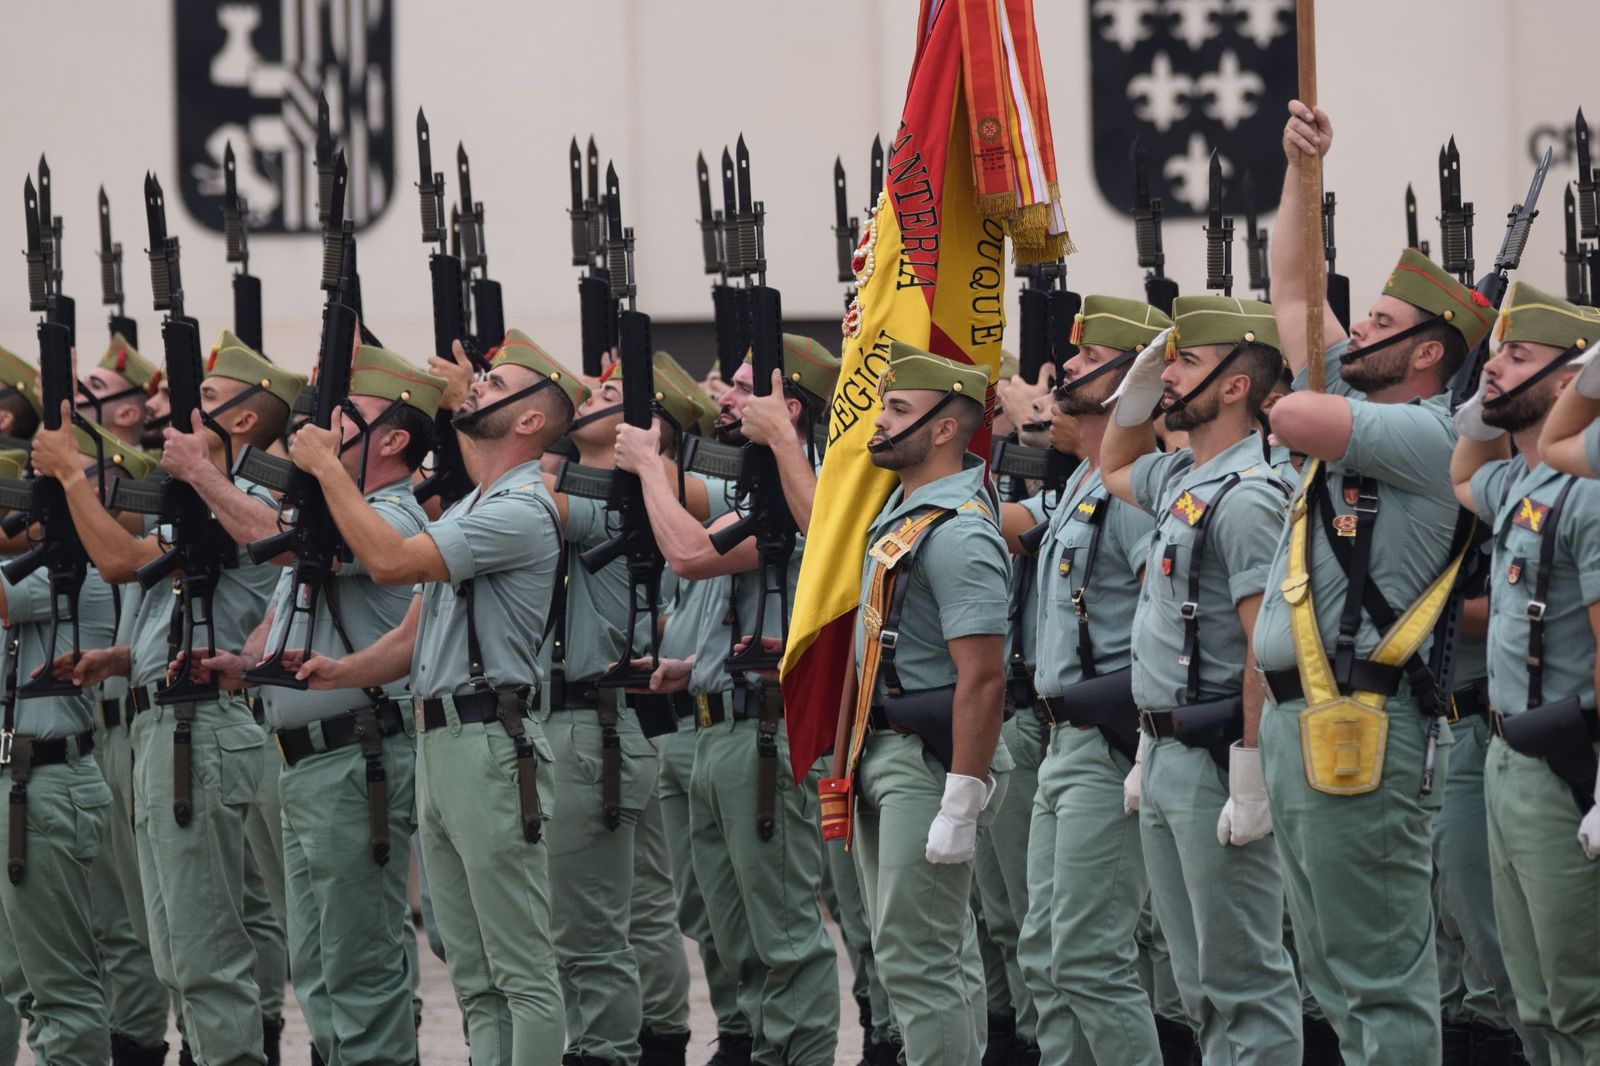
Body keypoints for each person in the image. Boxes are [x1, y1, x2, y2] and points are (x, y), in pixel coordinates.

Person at [1255, 99, 1501, 1065]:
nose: (1358, 328)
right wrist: (1301, 173)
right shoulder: (1360, 392)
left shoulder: (1435, 432)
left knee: (1379, 973)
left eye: (1382, 323)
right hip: (1300, 717)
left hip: (1365, 714)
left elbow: (1293, 416)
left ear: (1430, 351)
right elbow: (1289, 290)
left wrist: (1302, 378)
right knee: (1329, 966)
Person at [289, 330, 577, 1066]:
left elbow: (386, 562)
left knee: (520, 968)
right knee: (474, 974)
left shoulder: (517, 510)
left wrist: (328, 468)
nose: (476, 384)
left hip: (488, 741)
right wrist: (340, 670)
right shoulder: (469, 506)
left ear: (530, 420)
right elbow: (415, 637)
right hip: (442, 741)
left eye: (495, 382)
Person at [165, 344, 444, 1066]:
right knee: (318, 967)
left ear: (393, 441)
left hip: (359, 757)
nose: (325, 425)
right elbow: (291, 604)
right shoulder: (332, 514)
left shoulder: (389, 513)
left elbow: (273, 546)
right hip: (309, 762)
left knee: (361, 960)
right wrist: (245, 666)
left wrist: (201, 472)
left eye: (347, 414)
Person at [29, 333, 304, 1066]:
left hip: (196, 734)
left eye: (208, 399)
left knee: (202, 949)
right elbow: (164, 597)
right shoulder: (197, 507)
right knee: (177, 944)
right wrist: (121, 658)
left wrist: (70, 476)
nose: (176, 411)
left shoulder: (237, 501)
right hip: (169, 724)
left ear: (245, 422)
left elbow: (118, 562)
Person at [615, 337, 841, 1066]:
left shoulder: (814, 495)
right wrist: (696, 664)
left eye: (747, 387)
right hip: (717, 726)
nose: (728, 398)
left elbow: (687, 552)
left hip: (762, 736)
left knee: (780, 932)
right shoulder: (758, 494)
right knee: (726, 925)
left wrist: (651, 465)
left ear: (792, 406)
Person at [1101, 297, 1302, 1065]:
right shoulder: (1187, 473)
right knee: (1195, 983)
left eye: (1185, 360)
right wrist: (1142, 388)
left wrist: (1250, 772)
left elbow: (1263, 649)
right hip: (1166, 753)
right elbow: (1112, 464)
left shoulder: (1247, 494)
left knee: (1243, 981)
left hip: (1220, 755)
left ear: (1233, 387)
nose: (1169, 371)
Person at [825, 341, 1012, 1065]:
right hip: (882, 747)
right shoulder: (906, 514)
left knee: (919, 954)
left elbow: (983, 676)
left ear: (942, 428)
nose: (879, 420)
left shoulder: (959, 529)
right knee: (915, 951)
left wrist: (962, 798)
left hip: (924, 760)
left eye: (897, 408)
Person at [1009, 297, 1171, 1065]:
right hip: (1063, 738)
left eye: (1086, 355)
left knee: (1090, 959)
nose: (1064, 368)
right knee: (1044, 955)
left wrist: (1142, 743)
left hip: (1109, 743)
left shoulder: (1133, 488)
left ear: (1129, 379)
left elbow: (1167, 611)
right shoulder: (1084, 479)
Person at [1453, 283, 1600, 1063]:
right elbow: (1461, 475)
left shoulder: (1590, 489)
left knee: (1581, 999)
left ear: (1574, 377)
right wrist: (1486, 404)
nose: (1496, 366)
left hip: (1569, 768)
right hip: (1509, 754)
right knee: (1534, 999)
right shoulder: (1523, 483)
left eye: (1519, 355)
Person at [0, 432, 145, 1066]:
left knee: (57, 990)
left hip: (43, 786)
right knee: (13, 981)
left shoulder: (64, 565)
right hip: (19, 782)